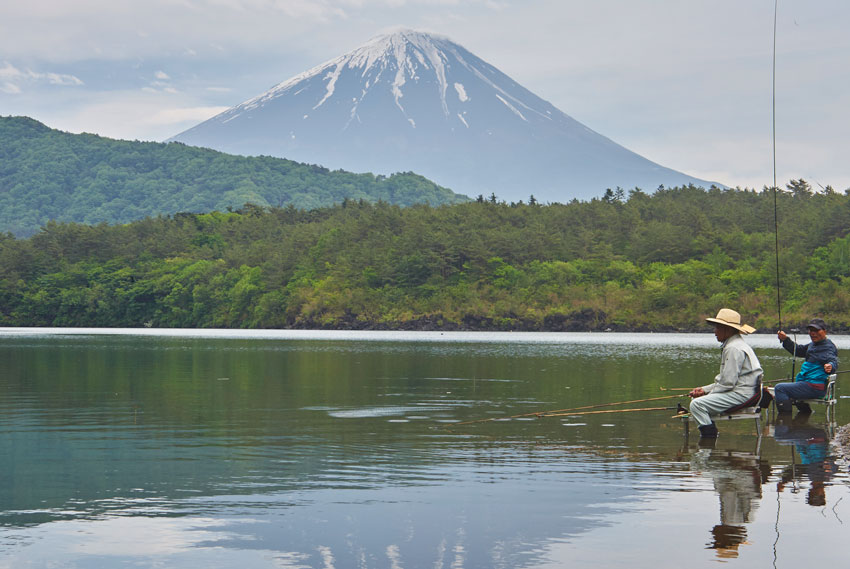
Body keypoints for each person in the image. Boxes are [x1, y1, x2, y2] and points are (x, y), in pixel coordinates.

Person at [688, 309, 764, 438]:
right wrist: (704, 390)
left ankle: (709, 437)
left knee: (697, 404)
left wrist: (706, 395)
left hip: (742, 394)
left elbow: (727, 383)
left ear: (728, 330)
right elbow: (725, 380)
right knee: (701, 402)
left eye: (718, 327)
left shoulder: (733, 348)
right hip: (746, 391)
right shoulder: (736, 344)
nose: (715, 331)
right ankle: (708, 445)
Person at [774, 318, 838, 413]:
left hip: (815, 387)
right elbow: (798, 350)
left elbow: (833, 360)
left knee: (780, 389)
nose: (813, 333)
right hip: (808, 384)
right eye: (811, 330)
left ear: (824, 331)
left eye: (816, 330)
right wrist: (785, 340)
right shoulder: (814, 344)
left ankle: (785, 422)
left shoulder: (828, 347)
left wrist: (830, 366)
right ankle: (804, 417)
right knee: (794, 386)